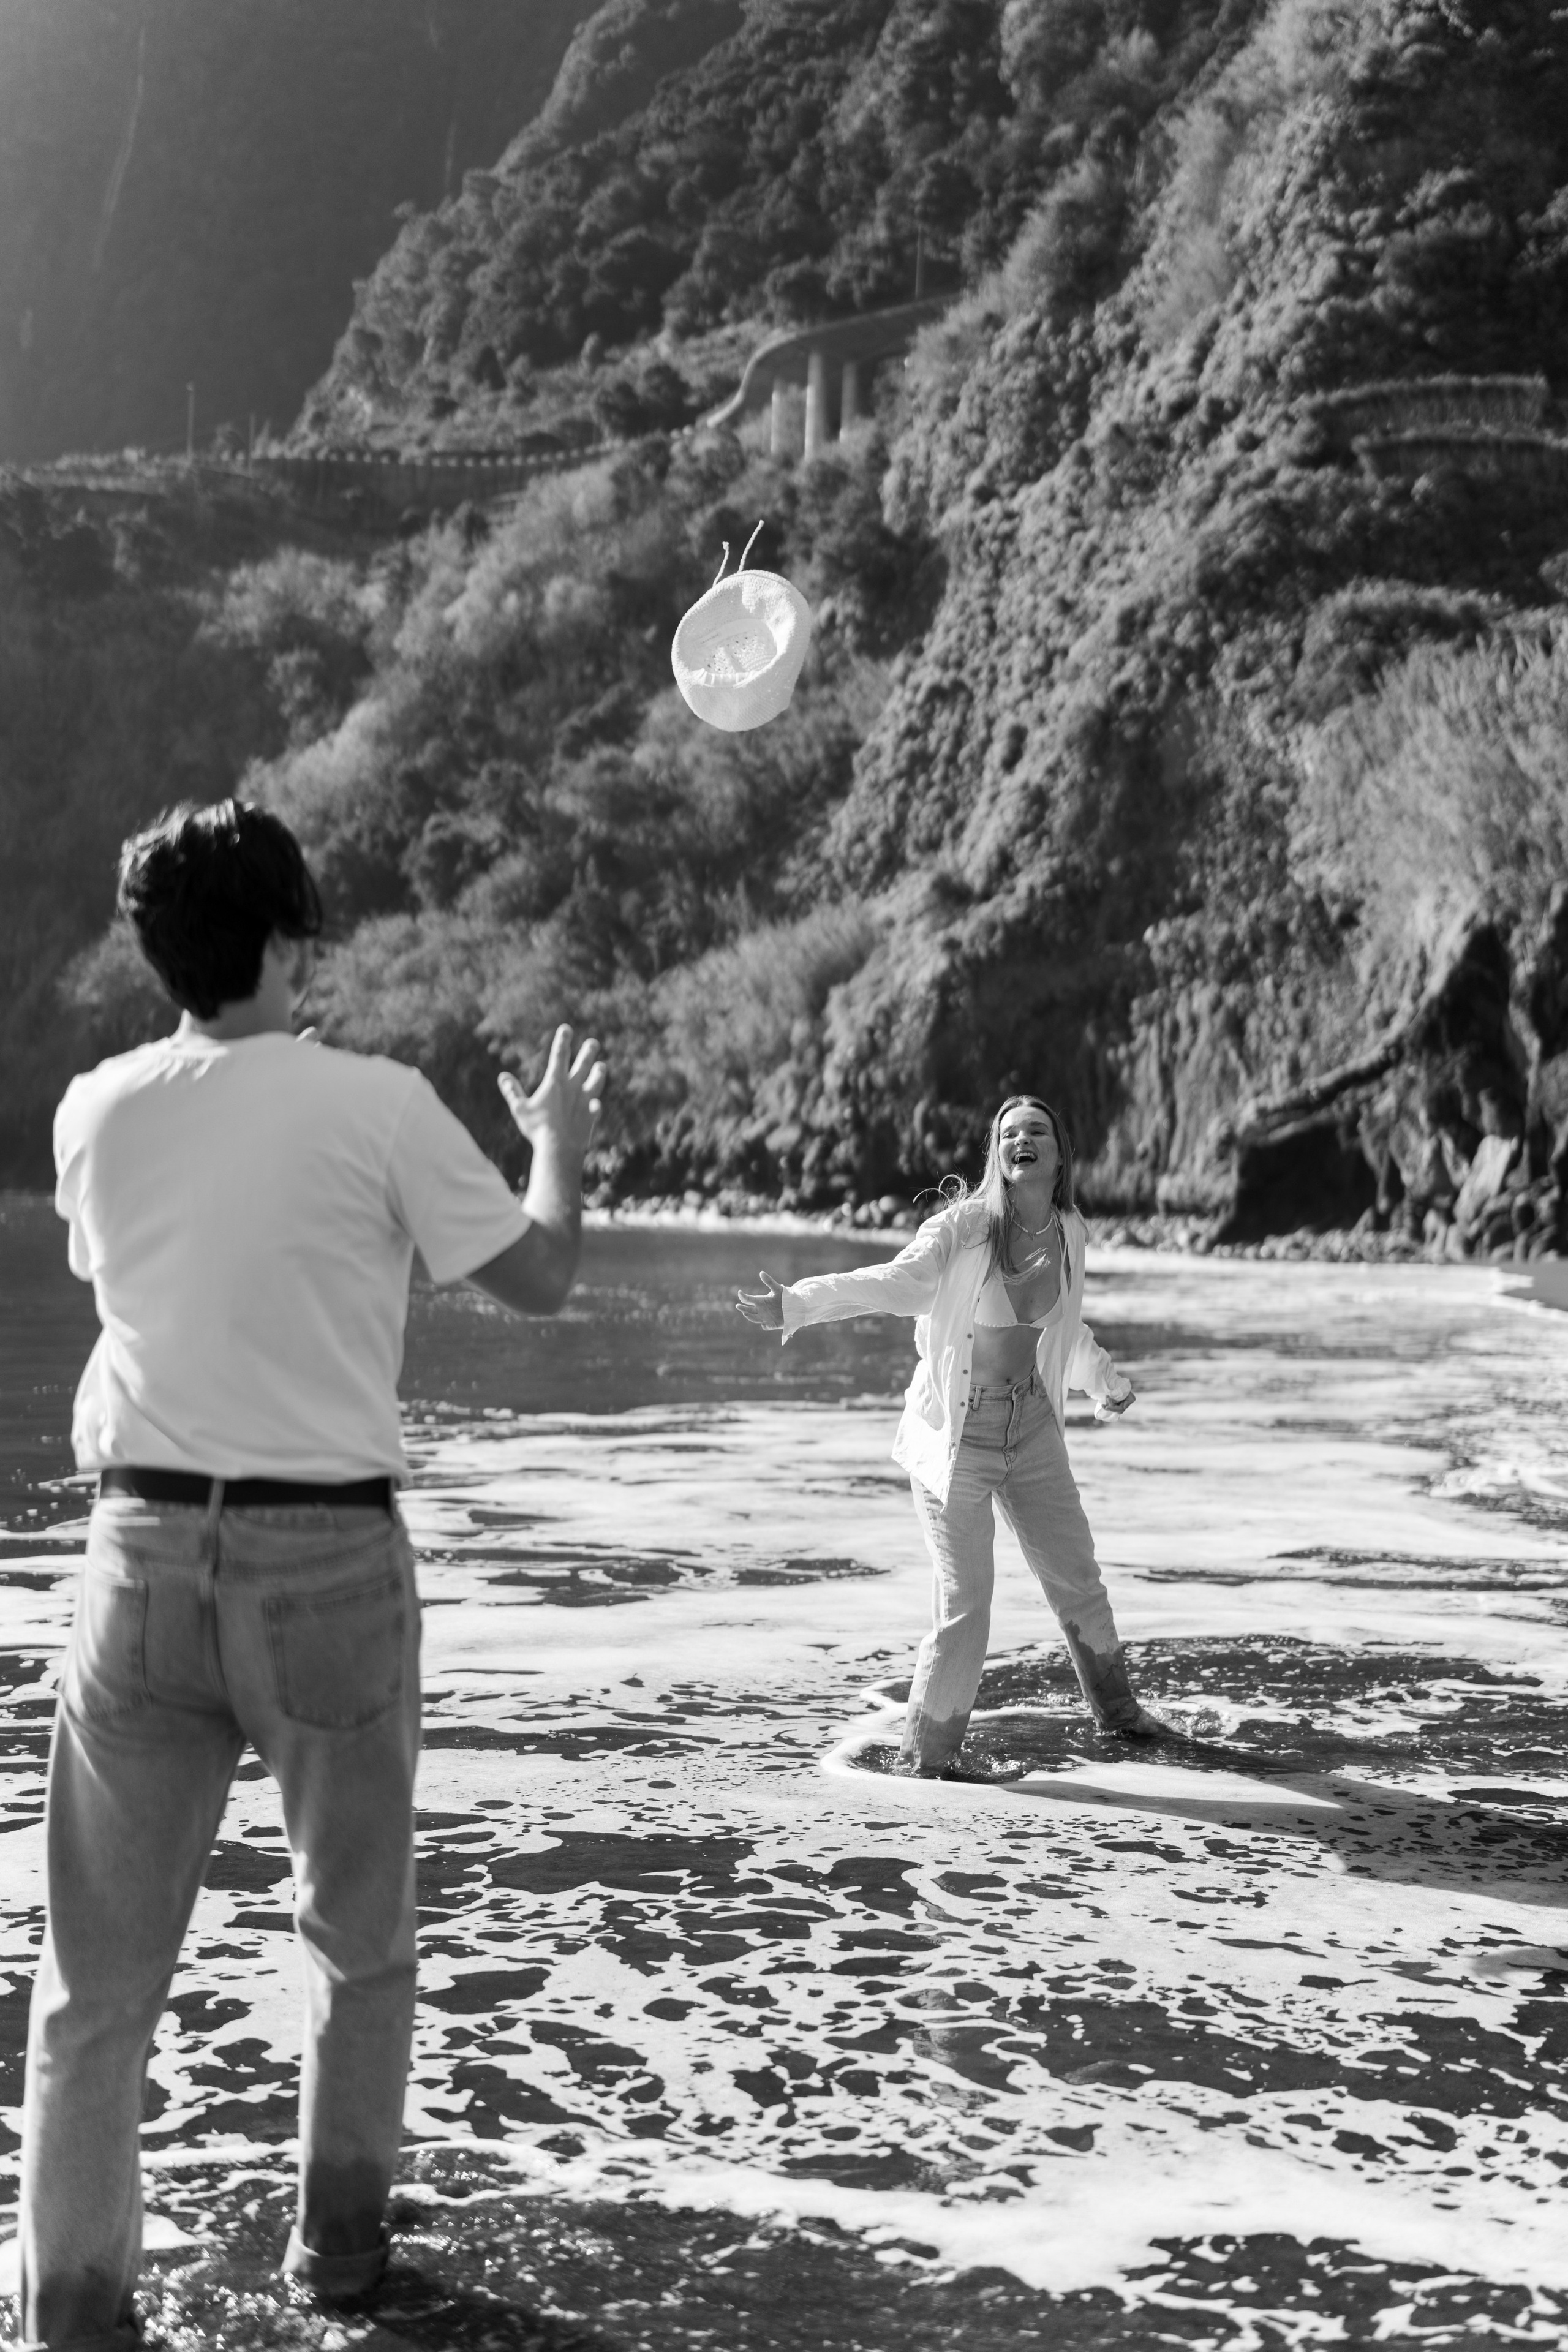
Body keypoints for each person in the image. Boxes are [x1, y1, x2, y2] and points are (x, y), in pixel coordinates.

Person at [21, 797, 606, 2352]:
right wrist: (555, 1149)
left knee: (93, 1991)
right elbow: (542, 1277)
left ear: (161, 953)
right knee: (353, 1937)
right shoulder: (380, 1104)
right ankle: (337, 2261)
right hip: (327, 1562)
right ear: (287, 941)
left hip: (136, 1557)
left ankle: (73, 2317)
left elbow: (141, 1284)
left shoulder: (95, 1111)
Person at [737, 1096, 1164, 1774]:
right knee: (966, 1604)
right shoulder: (962, 1230)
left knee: (1079, 1581)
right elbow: (893, 1284)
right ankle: (925, 1760)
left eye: (1037, 1129)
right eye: (1008, 1132)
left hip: (1032, 1428)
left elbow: (1063, 1334)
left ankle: (1120, 1715)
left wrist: (1106, 1385)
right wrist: (798, 1302)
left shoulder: (1069, 1231)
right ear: (998, 1154)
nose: (1021, 1138)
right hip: (957, 1435)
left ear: (1060, 1156)